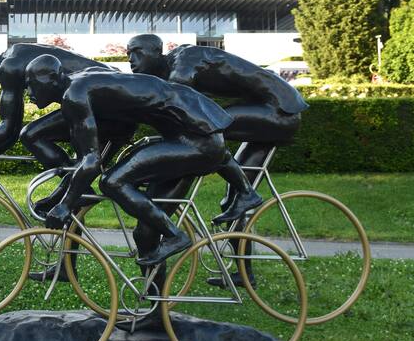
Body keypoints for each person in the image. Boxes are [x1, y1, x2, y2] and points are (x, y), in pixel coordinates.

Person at [127, 34, 309, 287]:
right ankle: (245, 275)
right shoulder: (167, 71)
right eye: (128, 54)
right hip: (267, 109)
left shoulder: (184, 61)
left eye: (137, 52)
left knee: (209, 132)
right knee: (231, 201)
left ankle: (244, 192)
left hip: (280, 110)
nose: (131, 60)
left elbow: (179, 108)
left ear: (158, 51)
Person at [0, 43, 137, 282]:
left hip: (110, 107)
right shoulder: (16, 54)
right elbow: (8, 133)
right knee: (69, 186)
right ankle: (67, 267)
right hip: (113, 102)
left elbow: (8, 129)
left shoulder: (9, 67)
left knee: (32, 135)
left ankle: (74, 183)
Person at [25, 54, 233, 272]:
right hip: (191, 135)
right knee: (144, 231)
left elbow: (91, 160)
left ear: (52, 78)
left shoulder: (74, 95)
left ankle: (175, 235)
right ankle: (156, 304)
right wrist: (63, 195)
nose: (29, 93)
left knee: (112, 182)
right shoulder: (82, 83)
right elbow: (97, 152)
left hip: (197, 140)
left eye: (31, 85)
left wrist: (65, 206)